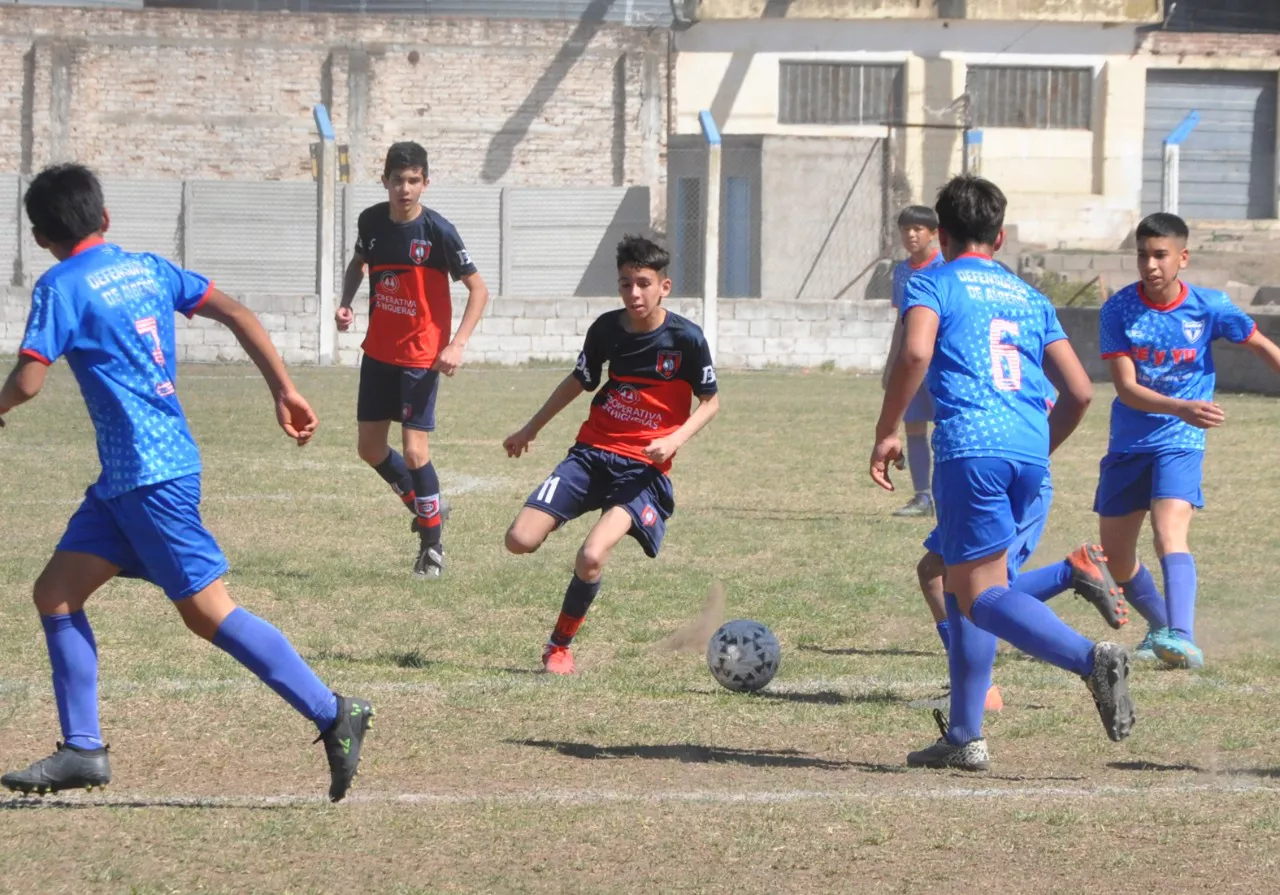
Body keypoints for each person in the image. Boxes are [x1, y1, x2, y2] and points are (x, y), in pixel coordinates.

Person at [0, 164, 372, 800]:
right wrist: (285, 390)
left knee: (208, 614)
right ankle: (83, 750)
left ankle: (334, 712)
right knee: (56, 594)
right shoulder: (147, 267)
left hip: (150, 478)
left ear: (39, 237)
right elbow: (234, 310)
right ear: (106, 219)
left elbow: (29, 380)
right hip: (127, 480)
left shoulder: (60, 285)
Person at [871, 174, 1134, 772]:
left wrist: (888, 429)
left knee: (976, 592)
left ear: (942, 233)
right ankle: (965, 734)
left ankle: (1090, 660)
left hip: (970, 450)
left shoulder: (931, 281)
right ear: (1001, 233)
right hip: (1027, 454)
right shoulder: (1031, 296)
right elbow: (1078, 393)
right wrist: (1036, 450)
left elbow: (914, 353)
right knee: (948, 575)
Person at [502, 236, 719, 675]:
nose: (633, 294)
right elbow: (578, 380)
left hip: (642, 470)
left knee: (591, 556)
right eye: (625, 284)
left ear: (665, 286)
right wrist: (531, 427)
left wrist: (674, 440)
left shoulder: (686, 338)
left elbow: (712, 401)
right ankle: (572, 508)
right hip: (591, 455)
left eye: (643, 283)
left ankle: (559, 646)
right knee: (518, 540)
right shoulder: (606, 329)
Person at [1095, 212, 1280, 669]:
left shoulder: (1210, 305)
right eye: (1142, 255)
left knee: (1168, 531)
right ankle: (1162, 626)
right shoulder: (1118, 309)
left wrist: (1185, 414)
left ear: (1183, 257)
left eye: (1160, 255)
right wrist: (1180, 405)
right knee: (1117, 559)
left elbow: (1262, 345)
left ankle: (1182, 634)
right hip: (1130, 440)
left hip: (1181, 438)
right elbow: (1126, 389)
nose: (1150, 265)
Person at [335, 141, 489, 578]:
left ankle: (432, 546)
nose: (405, 188)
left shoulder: (438, 231)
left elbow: (479, 290)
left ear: (425, 182)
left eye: (414, 180)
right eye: (397, 180)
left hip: (421, 355)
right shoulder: (370, 221)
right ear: (384, 181)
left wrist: (456, 344)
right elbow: (358, 263)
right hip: (378, 352)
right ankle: (430, 506)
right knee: (368, 448)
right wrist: (346, 302)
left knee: (416, 454)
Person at [881, 206, 945, 518]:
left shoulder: (945, 267)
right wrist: (892, 363)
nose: (911, 235)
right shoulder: (902, 272)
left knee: (947, 427)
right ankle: (923, 497)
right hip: (911, 362)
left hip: (942, 362)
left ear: (933, 233)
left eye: (919, 229)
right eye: (906, 229)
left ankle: (948, 495)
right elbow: (902, 321)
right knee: (914, 426)